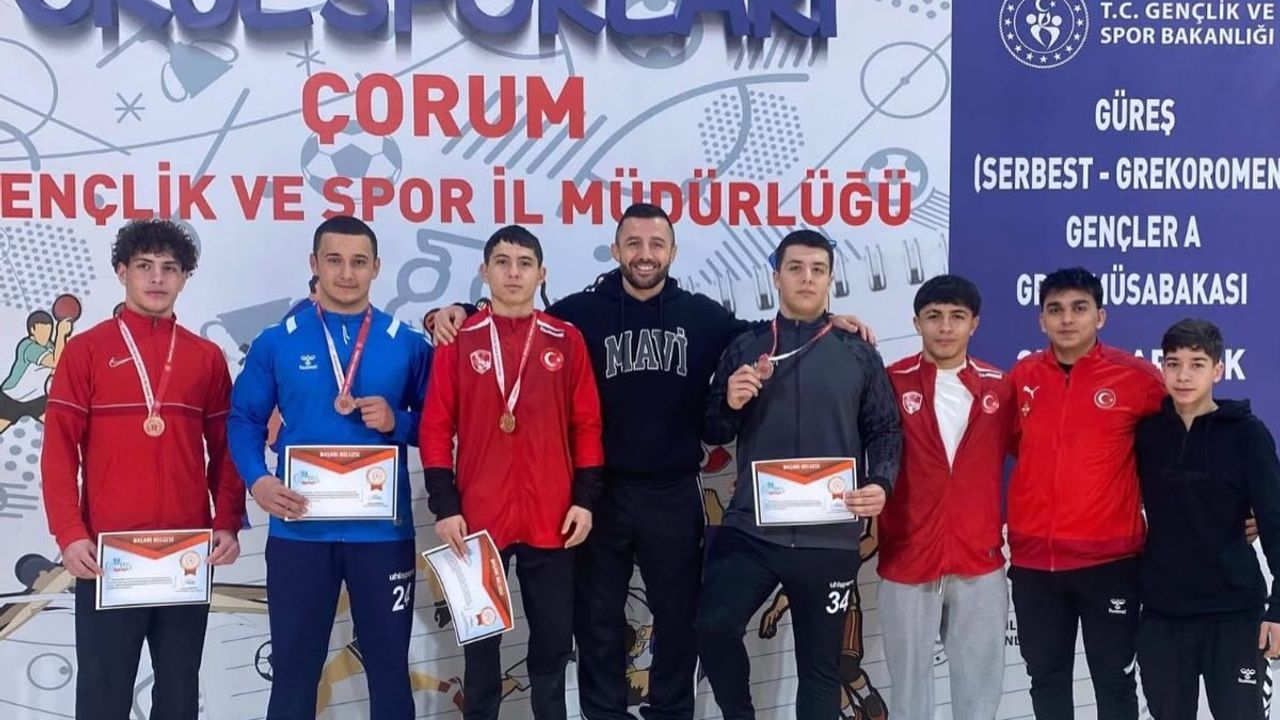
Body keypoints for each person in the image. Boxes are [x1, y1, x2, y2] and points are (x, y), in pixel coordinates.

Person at [429, 204, 874, 720]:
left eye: (656, 244)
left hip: (673, 490)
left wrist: (824, 323)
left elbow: (766, 333)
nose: (645, 254)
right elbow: (517, 314)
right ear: (616, 250)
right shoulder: (580, 313)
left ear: (672, 252)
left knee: (677, 621)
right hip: (600, 494)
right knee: (597, 621)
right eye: (634, 243)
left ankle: (671, 714)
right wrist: (458, 310)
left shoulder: (701, 316)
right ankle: (604, 715)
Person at [228, 215, 432, 720]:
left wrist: (399, 421)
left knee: (389, 670)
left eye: (359, 262)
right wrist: (257, 479)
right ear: (314, 264)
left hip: (382, 537)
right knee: (294, 673)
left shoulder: (406, 343)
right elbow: (244, 419)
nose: (346, 273)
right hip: (300, 533)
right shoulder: (276, 342)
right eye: (334, 260)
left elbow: (441, 425)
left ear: (376, 267)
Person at [40, 218, 246, 720]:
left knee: (178, 698)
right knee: (102, 697)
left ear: (184, 277)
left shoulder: (205, 358)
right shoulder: (86, 351)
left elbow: (226, 451)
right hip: (107, 556)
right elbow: (59, 450)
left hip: (186, 554)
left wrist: (226, 521)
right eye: (144, 266)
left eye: (169, 268)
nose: (157, 278)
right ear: (121, 272)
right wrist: (69, 533)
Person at [697, 229, 902, 720]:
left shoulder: (858, 350)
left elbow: (885, 429)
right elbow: (712, 429)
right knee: (711, 628)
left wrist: (881, 484)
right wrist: (730, 402)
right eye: (795, 268)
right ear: (776, 277)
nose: (806, 278)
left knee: (820, 669)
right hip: (752, 531)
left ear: (830, 279)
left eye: (817, 270)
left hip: (827, 538)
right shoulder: (745, 346)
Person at [420, 225, 604, 720]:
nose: (513, 272)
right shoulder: (458, 340)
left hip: (553, 520)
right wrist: (445, 506)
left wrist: (584, 499)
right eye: (502, 262)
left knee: (552, 645)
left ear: (542, 274)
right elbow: (435, 427)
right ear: (485, 271)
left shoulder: (566, 339)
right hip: (477, 522)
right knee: (480, 652)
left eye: (525, 263)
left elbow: (587, 425)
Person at [1007, 267, 1164, 720]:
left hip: (1110, 563)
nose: (1067, 319)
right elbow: (1015, 446)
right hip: (1035, 564)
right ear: (1041, 320)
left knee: (1114, 680)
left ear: (1101, 316)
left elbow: (1184, 442)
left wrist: (1237, 503)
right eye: (1055, 310)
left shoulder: (1137, 378)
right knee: (1046, 680)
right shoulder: (1021, 377)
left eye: (1079, 308)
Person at [878, 274, 1014, 720]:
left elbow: (1038, 457)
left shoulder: (1001, 387)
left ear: (974, 323)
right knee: (908, 692)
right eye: (934, 316)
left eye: (957, 316)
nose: (945, 327)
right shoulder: (889, 382)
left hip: (979, 560)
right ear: (916, 322)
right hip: (907, 557)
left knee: (979, 690)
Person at [1135, 318, 1280, 719]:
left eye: (1197, 364)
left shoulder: (1247, 435)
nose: (1183, 375)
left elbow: (1275, 523)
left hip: (1234, 614)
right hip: (1163, 615)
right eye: (1173, 363)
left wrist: (1278, 609)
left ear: (1218, 370)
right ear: (1162, 367)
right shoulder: (1146, 434)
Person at [0, 309, 72, 433]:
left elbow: (60, 363)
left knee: (62, 428)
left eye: (48, 332)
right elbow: (55, 361)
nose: (45, 336)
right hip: (12, 397)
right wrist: (61, 334)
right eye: (42, 332)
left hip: (37, 399)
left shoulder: (49, 346)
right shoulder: (28, 347)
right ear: (32, 330)